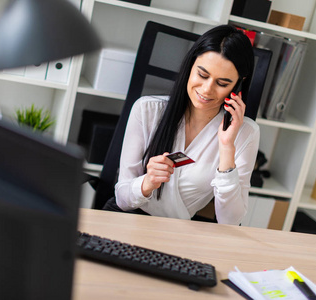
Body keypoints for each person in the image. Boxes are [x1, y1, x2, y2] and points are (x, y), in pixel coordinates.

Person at [105, 24, 260, 225]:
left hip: (177, 231)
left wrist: (227, 147)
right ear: (190, 66)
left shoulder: (245, 133)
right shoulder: (147, 110)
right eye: (202, 75)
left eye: (222, 84)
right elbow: (122, 200)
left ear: (238, 85)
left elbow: (229, 222)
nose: (207, 89)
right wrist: (148, 182)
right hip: (126, 219)